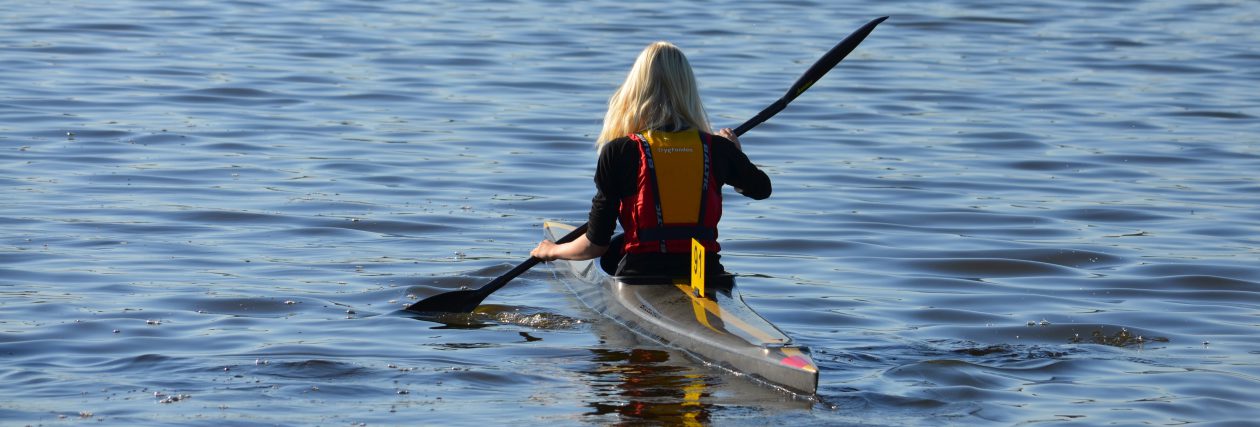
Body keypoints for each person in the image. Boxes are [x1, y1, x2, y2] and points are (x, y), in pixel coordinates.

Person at [530, 41, 771, 276]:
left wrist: (553, 251)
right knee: (621, 245)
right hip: (702, 270)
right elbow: (761, 189)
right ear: (687, 89)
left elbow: (595, 246)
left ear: (636, 89)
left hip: (641, 270)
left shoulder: (620, 151)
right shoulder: (717, 148)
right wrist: (736, 156)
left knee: (615, 249)